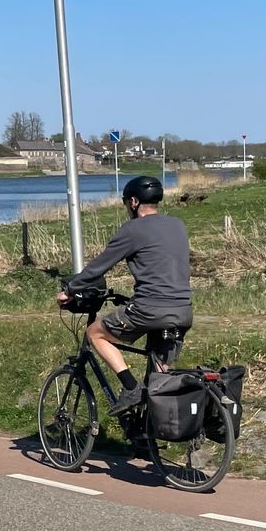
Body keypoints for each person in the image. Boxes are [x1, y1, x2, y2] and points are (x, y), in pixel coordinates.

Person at [58, 176, 192, 416]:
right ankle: (146, 434)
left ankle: (130, 388)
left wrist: (70, 290)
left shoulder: (133, 229)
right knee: (158, 381)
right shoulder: (178, 224)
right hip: (183, 311)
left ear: (133, 201)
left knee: (94, 334)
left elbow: (100, 266)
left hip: (149, 308)